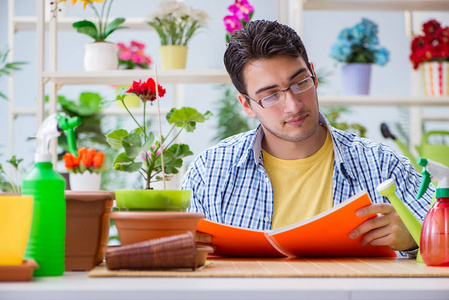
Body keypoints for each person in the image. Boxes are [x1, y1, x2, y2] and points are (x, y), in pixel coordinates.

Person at [181, 20, 433, 256]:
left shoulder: (382, 166)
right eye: (270, 96)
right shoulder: (210, 172)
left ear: (313, 74)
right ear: (246, 105)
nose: (293, 105)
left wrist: (415, 240)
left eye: (300, 82)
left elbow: (443, 238)